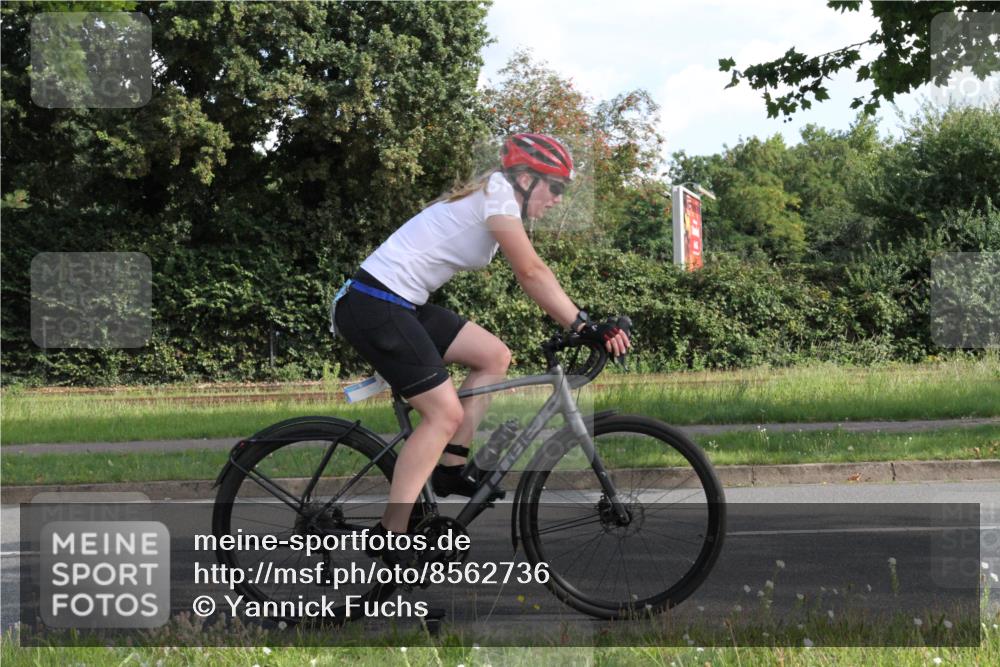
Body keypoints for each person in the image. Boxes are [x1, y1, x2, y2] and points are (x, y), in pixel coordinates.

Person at [332, 133, 630, 562]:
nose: (558, 200)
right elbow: (530, 271)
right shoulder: (499, 195)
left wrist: (581, 323)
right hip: (375, 304)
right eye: (556, 187)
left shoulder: (498, 196)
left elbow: (532, 271)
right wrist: (583, 323)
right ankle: (391, 534)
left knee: (494, 356)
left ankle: (451, 468)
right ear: (526, 178)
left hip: (401, 303)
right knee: (443, 412)